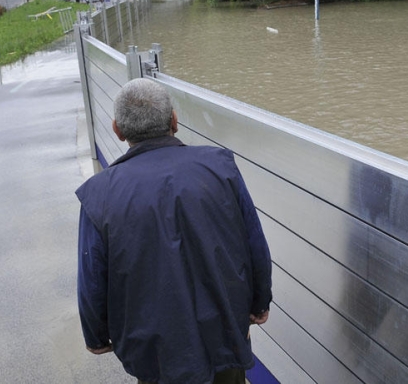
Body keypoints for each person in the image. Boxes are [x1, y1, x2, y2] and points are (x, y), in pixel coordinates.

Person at [76, 78, 273, 384]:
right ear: (174, 120)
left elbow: (92, 276)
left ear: (117, 130)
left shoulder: (99, 194)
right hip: (224, 337)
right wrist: (260, 302)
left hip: (155, 354)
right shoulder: (220, 168)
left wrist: (97, 335)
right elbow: (254, 242)